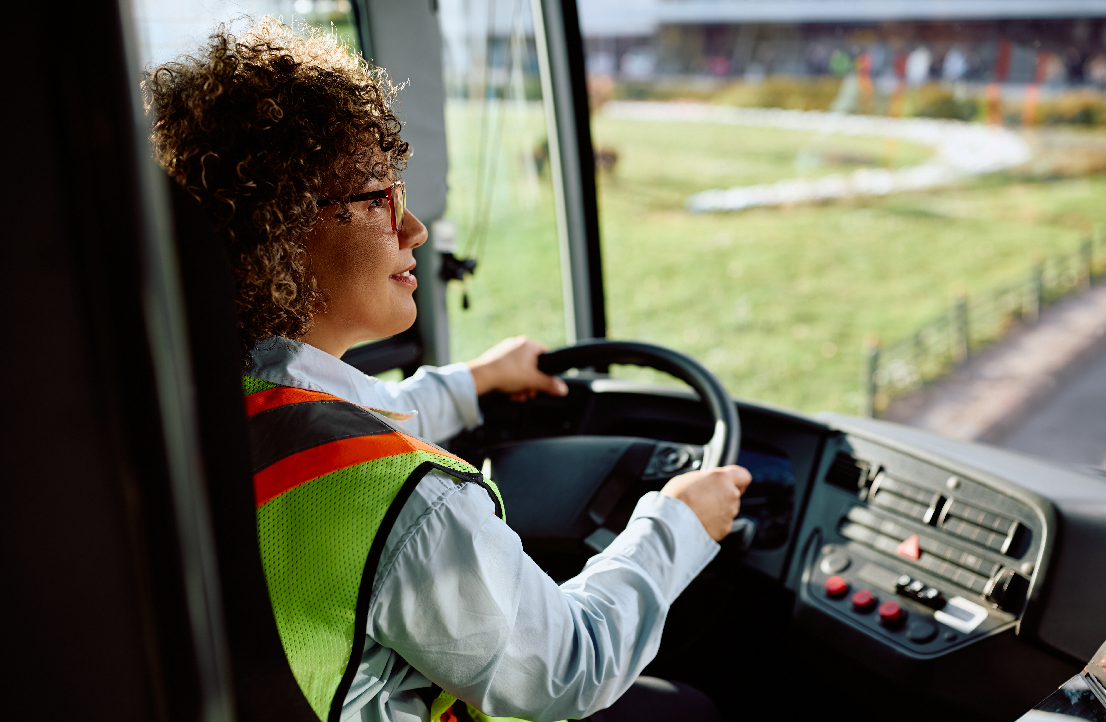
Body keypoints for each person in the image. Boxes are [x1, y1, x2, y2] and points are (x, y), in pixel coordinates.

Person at [145, 18, 751, 722]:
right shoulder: (412, 506)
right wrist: (677, 523)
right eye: (379, 198)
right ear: (281, 228)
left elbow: (331, 438)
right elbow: (571, 667)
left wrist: (474, 381)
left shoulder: (203, 405)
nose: (414, 229)